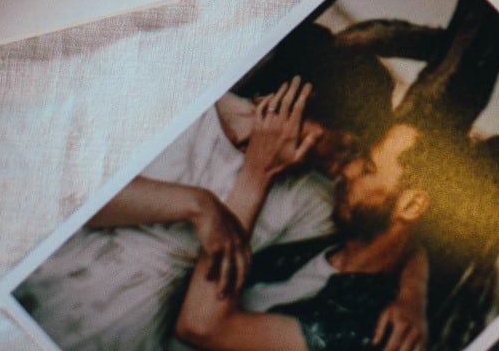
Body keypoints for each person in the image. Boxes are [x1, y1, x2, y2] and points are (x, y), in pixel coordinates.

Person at [15, 31, 417, 351]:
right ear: (307, 113)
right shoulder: (194, 103)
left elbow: (393, 233)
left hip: (134, 328)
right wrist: (198, 206)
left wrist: (413, 295)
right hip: (48, 280)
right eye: (345, 147)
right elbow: (72, 197)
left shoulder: (307, 195)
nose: (343, 166)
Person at [174, 121, 442, 351]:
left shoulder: (359, 325)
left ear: (412, 205)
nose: (349, 171)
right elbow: (412, 246)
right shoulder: (337, 227)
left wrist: (257, 171)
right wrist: (414, 291)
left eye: (369, 170)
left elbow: (200, 327)